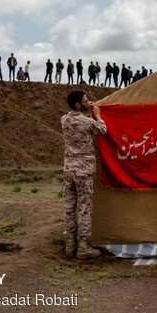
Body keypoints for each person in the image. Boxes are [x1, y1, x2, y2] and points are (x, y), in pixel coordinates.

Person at [61, 90, 108, 259]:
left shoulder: (64, 120)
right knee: (84, 207)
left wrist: (86, 109)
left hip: (68, 169)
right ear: (77, 104)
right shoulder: (87, 122)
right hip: (83, 170)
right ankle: (83, 246)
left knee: (69, 207)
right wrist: (97, 115)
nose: (88, 102)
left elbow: (73, 118)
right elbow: (102, 130)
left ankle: (69, 244)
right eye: (85, 100)